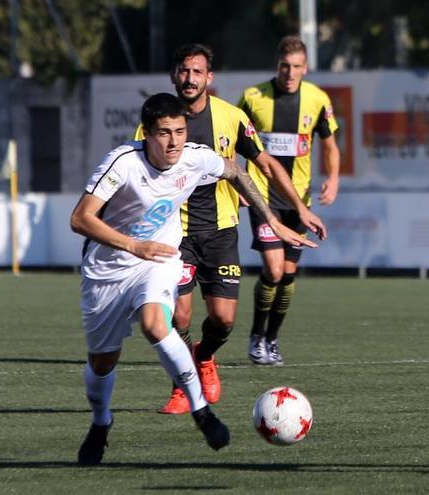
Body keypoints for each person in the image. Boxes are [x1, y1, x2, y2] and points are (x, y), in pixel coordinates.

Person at [72, 92, 315, 465]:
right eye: (164, 133)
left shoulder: (195, 157)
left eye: (180, 131)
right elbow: (81, 218)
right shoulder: (123, 162)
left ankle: (201, 410)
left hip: (160, 259)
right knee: (102, 363)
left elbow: (235, 170)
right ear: (147, 134)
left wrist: (273, 221)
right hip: (107, 269)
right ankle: (101, 422)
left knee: (157, 324)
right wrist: (133, 245)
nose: (174, 141)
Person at [135, 44, 327, 415]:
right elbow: (137, 173)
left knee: (223, 320)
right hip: (175, 235)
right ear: (175, 75)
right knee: (180, 317)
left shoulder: (231, 117)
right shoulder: (156, 121)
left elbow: (265, 163)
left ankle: (204, 357)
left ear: (210, 78)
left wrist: (298, 209)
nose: (190, 79)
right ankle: (182, 385)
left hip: (222, 231)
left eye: (197, 72)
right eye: (184, 71)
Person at [239, 35, 341, 366]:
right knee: (273, 268)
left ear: (305, 67)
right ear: (277, 65)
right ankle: (256, 336)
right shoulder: (253, 98)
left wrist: (333, 178)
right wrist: (238, 181)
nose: (290, 73)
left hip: (300, 199)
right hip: (263, 196)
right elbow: (233, 141)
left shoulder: (316, 99)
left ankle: (272, 338)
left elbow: (329, 144)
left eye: (297, 67)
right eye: (285, 66)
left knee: (289, 274)